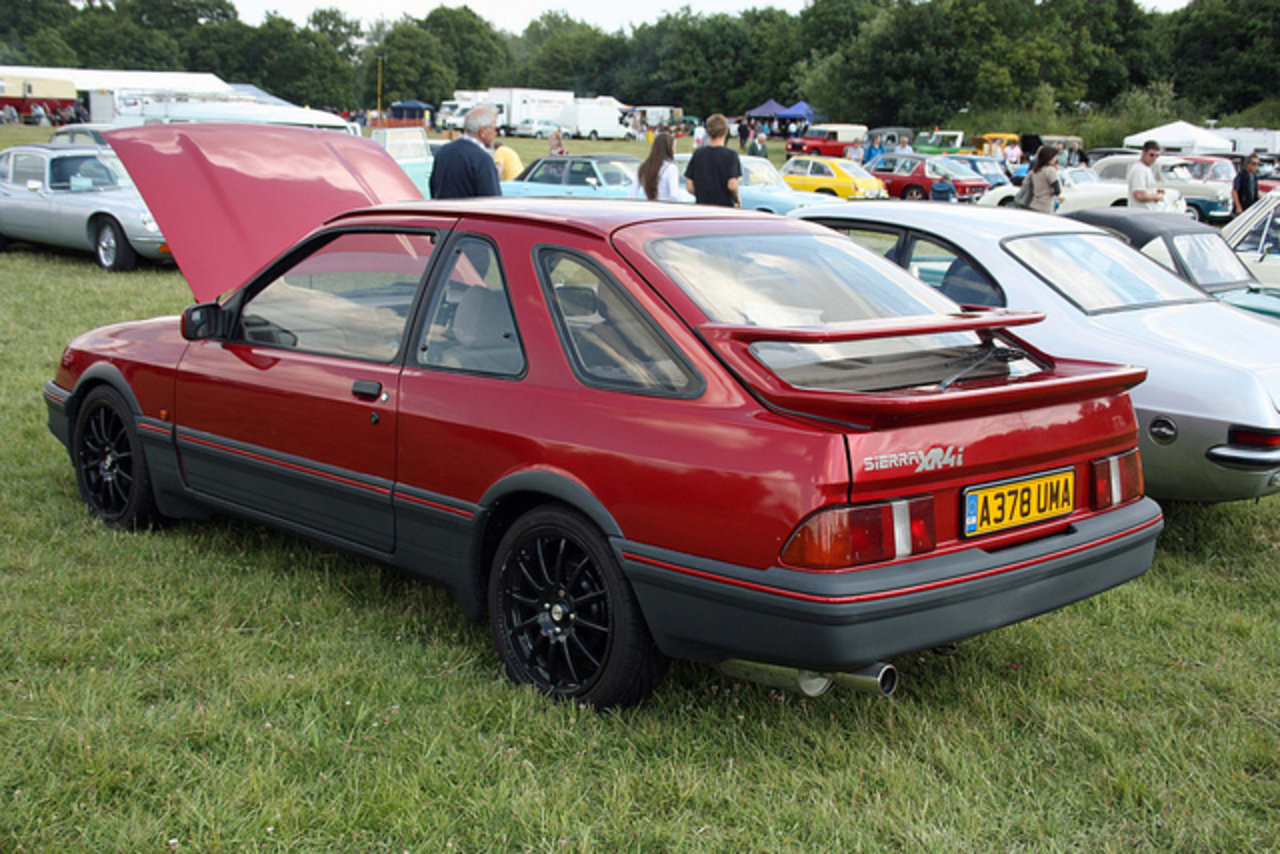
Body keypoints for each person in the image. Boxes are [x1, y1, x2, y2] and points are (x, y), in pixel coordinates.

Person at [429, 104, 502, 200]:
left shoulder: (443, 152)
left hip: (444, 212)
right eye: (494, 129)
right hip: (469, 213)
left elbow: (433, 187)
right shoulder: (482, 159)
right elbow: (492, 200)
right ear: (483, 132)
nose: (496, 133)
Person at [685, 113, 742, 207]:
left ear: (708, 132)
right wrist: (736, 198)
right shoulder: (731, 155)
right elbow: (732, 185)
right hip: (724, 208)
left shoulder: (698, 154)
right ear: (726, 132)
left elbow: (689, 186)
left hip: (702, 207)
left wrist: (701, 195)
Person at [631, 131, 681, 202]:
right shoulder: (671, 168)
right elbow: (674, 195)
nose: (674, 151)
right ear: (669, 148)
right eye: (674, 147)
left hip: (649, 208)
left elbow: (632, 194)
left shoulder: (643, 167)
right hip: (665, 208)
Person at [1127, 139, 1167, 210]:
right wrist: (1158, 196)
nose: (1154, 158)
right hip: (1141, 214)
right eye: (1151, 155)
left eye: (1157, 156)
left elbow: (1146, 191)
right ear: (1144, 153)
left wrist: (1155, 192)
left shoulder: (1146, 169)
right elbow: (1139, 195)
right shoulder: (1139, 170)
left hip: (1149, 212)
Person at [1027, 145, 1063, 214]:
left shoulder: (1035, 171)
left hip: (1034, 204)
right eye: (1054, 157)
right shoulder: (1050, 171)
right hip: (1046, 206)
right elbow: (1057, 190)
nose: (1056, 159)